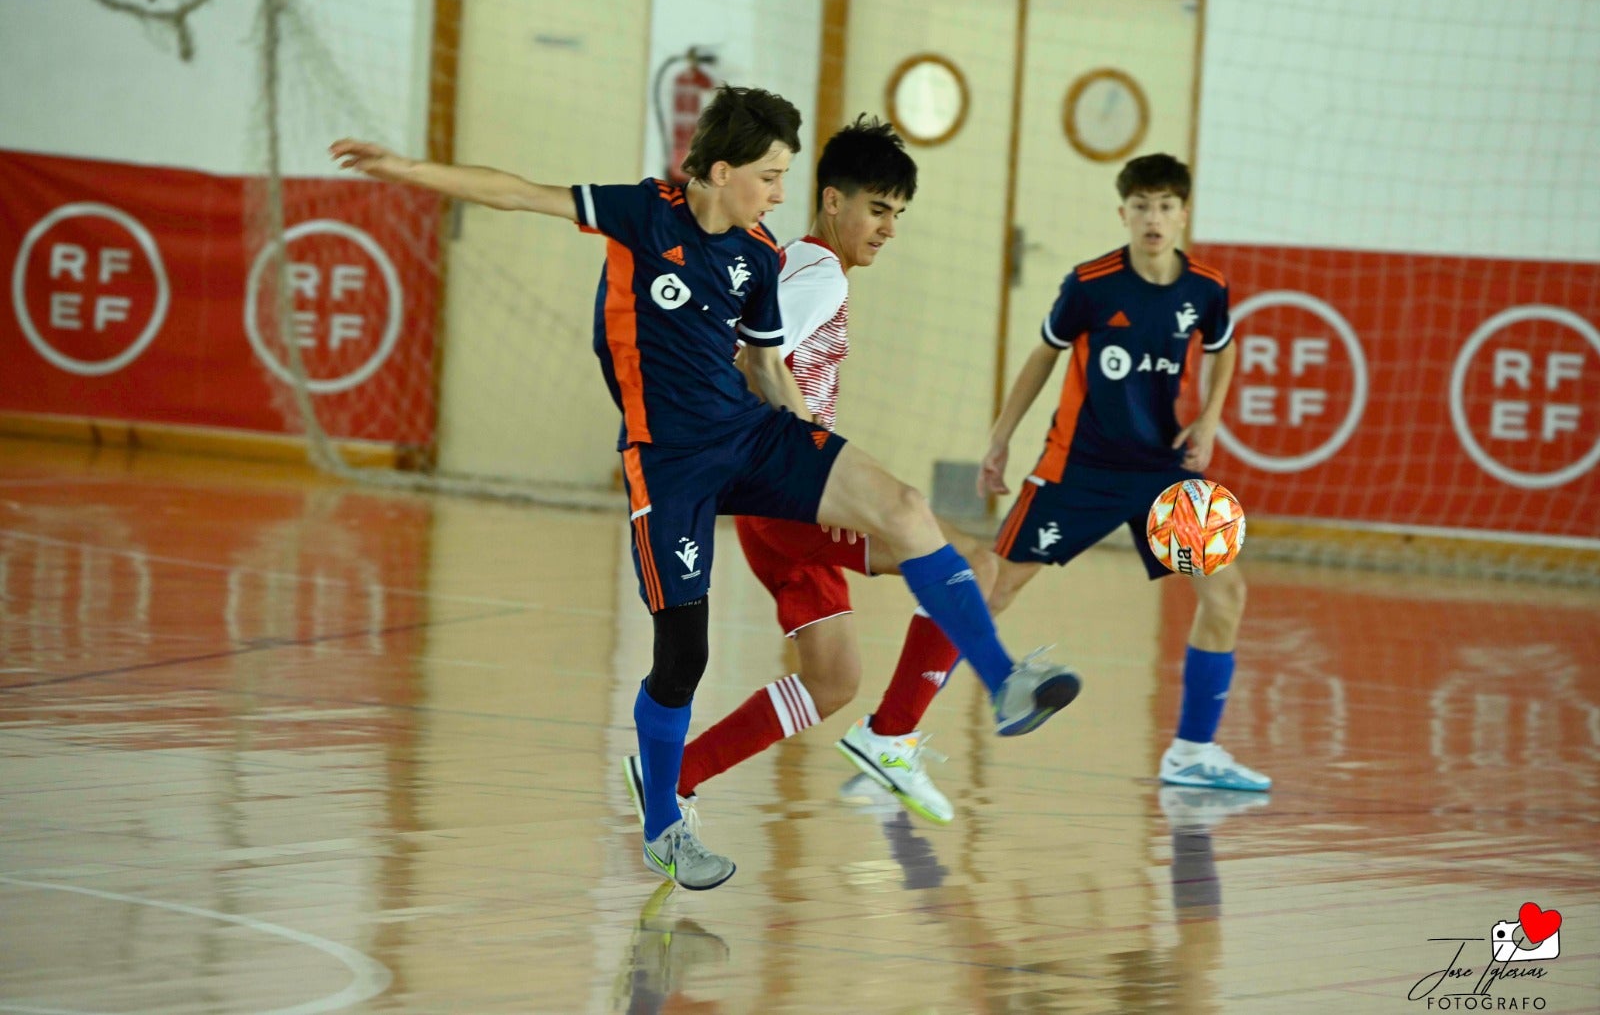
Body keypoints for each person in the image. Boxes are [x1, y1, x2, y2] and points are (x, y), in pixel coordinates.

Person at [331, 86, 1079, 892]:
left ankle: (1003, 680)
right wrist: (406, 168)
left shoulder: (761, 254)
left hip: (754, 442)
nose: (778, 194)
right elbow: (518, 193)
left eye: (787, 176)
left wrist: (817, 451)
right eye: (769, 175)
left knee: (901, 511)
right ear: (720, 171)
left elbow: (764, 366)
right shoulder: (642, 214)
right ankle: (666, 822)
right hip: (671, 462)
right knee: (683, 656)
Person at [619, 116, 1048, 828]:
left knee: (830, 680)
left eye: (898, 215)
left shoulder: (794, 264)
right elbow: (751, 358)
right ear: (831, 201)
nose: (887, 229)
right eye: (877, 210)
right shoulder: (817, 273)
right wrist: (799, 441)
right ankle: (906, 732)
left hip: (768, 505)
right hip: (787, 498)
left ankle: (673, 777)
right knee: (968, 561)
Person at [978, 152, 1269, 793]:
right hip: (1077, 470)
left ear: (1184, 213)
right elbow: (1042, 356)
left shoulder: (1207, 289)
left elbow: (1224, 349)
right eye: (1141, 206)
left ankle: (1192, 752)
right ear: (1123, 213)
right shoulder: (1091, 283)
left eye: (1166, 206)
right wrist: (999, 440)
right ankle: (896, 737)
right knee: (992, 589)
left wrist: (1211, 420)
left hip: (1162, 471)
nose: (1153, 219)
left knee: (1226, 595)